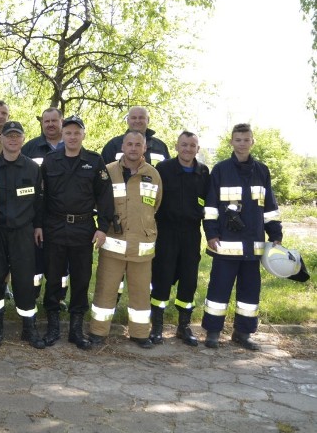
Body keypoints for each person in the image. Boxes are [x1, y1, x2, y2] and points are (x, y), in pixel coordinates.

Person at [201, 123, 282, 351]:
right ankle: (213, 332)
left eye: (246, 140)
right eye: (238, 139)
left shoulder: (262, 171)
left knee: (249, 292)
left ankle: (243, 333)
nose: (242, 143)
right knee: (219, 289)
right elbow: (211, 206)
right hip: (225, 245)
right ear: (231, 142)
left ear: (252, 142)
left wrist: (275, 233)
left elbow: (270, 208)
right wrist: (211, 233)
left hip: (253, 246)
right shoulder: (220, 170)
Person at [40, 115, 114, 350]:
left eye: (76, 132)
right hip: (54, 227)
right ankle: (53, 327)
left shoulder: (94, 161)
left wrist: (102, 228)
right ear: (62, 134)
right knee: (53, 278)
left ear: (83, 134)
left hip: (83, 228)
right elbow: (41, 197)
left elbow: (105, 196)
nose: (72, 136)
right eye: (68, 132)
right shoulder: (50, 161)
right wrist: (39, 225)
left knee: (81, 279)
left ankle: (75, 329)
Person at [88, 130, 163, 349]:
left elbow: (155, 205)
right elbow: (98, 203)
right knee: (105, 290)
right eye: (129, 144)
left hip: (142, 246)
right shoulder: (108, 172)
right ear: (123, 146)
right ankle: (98, 332)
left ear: (144, 148)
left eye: (137, 145)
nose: (133, 148)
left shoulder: (154, 174)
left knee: (141, 293)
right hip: (113, 244)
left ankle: (140, 334)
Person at [0, 121, 45, 348]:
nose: (12, 139)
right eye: (8, 135)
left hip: (23, 232)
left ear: (22, 139)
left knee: (24, 280)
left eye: (17, 136)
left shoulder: (32, 168)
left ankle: (29, 328)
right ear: (1, 139)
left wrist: (38, 226)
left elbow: (39, 201)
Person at [149, 131, 210, 346]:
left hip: (191, 233)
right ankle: (156, 327)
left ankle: (183, 328)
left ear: (198, 149)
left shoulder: (203, 172)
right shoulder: (163, 169)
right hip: (166, 232)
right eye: (184, 145)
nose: (188, 149)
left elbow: (207, 204)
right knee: (162, 278)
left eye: (192, 145)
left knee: (189, 281)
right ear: (176, 146)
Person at [21, 107, 68, 309]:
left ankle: (58, 298)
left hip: (64, 215)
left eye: (53, 120)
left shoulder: (72, 146)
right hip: (36, 212)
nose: (49, 124)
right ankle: (32, 297)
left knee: (61, 261)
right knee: (35, 259)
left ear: (61, 122)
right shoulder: (31, 148)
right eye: (46, 121)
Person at [101, 106, 170, 165]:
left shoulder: (160, 146)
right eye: (134, 118)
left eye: (141, 118)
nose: (137, 121)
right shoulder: (113, 145)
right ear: (128, 120)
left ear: (148, 120)